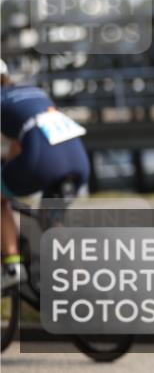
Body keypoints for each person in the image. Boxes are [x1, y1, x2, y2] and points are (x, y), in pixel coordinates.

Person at [1, 59, 91, 290]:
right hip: (78, 158)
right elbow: (22, 139)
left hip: (43, 160)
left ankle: (12, 266)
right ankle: (80, 281)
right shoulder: (33, 91)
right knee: (50, 219)